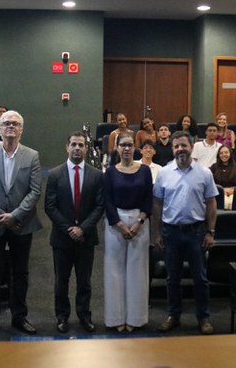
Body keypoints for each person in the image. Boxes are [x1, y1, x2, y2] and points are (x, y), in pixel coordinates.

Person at [0, 110, 42, 337]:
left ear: (21, 129)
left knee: (20, 273)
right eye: (6, 123)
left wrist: (15, 215)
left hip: (21, 224)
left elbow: (34, 191)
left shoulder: (32, 155)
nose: (11, 127)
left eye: (15, 124)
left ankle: (19, 316)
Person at [152, 130, 218, 335]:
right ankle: (174, 315)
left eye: (184, 145)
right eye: (176, 146)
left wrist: (211, 232)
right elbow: (157, 204)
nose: (180, 149)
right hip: (171, 233)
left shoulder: (204, 173)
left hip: (196, 233)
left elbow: (211, 203)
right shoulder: (164, 172)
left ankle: (203, 318)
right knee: (173, 278)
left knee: (200, 278)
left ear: (192, 146)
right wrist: (157, 233)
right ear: (172, 149)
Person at [45, 131, 105, 334]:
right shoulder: (54, 174)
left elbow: (99, 206)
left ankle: (84, 316)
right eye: (74, 145)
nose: (77, 148)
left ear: (86, 148)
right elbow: (50, 207)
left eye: (81, 145)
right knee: (61, 281)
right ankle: (62, 317)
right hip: (62, 238)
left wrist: (83, 228)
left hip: (86, 237)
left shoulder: (96, 175)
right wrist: (69, 229)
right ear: (67, 147)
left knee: (84, 281)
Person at [102, 131, 152, 332]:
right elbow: (107, 200)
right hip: (116, 224)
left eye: (130, 145)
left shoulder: (145, 171)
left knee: (137, 271)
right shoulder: (110, 172)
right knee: (114, 271)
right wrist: (120, 224)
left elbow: (148, 199)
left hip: (140, 223)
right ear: (116, 148)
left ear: (135, 147)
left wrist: (139, 222)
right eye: (122, 145)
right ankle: (116, 319)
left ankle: (136, 318)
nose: (126, 148)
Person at [210, 145, 236, 209]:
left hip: (233, 192)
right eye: (221, 153)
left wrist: (233, 190)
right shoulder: (213, 167)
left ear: (230, 153)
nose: (224, 155)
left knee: (231, 203)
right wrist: (222, 190)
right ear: (218, 155)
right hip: (218, 192)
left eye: (226, 152)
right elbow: (211, 183)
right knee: (225, 203)